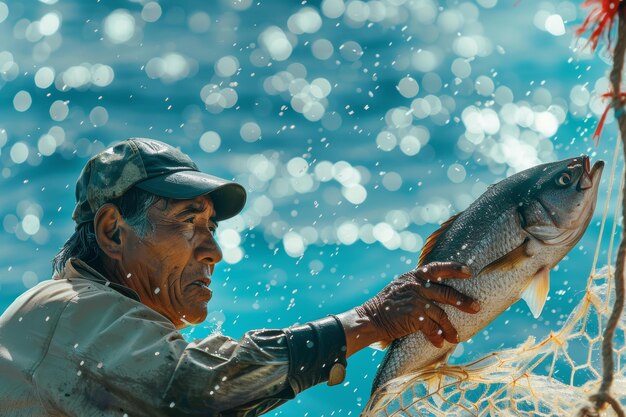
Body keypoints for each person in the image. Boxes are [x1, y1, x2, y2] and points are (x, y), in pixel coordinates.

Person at [0, 138, 479, 416]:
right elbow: (196, 388)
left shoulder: (101, 329)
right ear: (112, 230)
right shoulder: (67, 307)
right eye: (188, 222)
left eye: (210, 226)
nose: (214, 251)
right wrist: (371, 320)